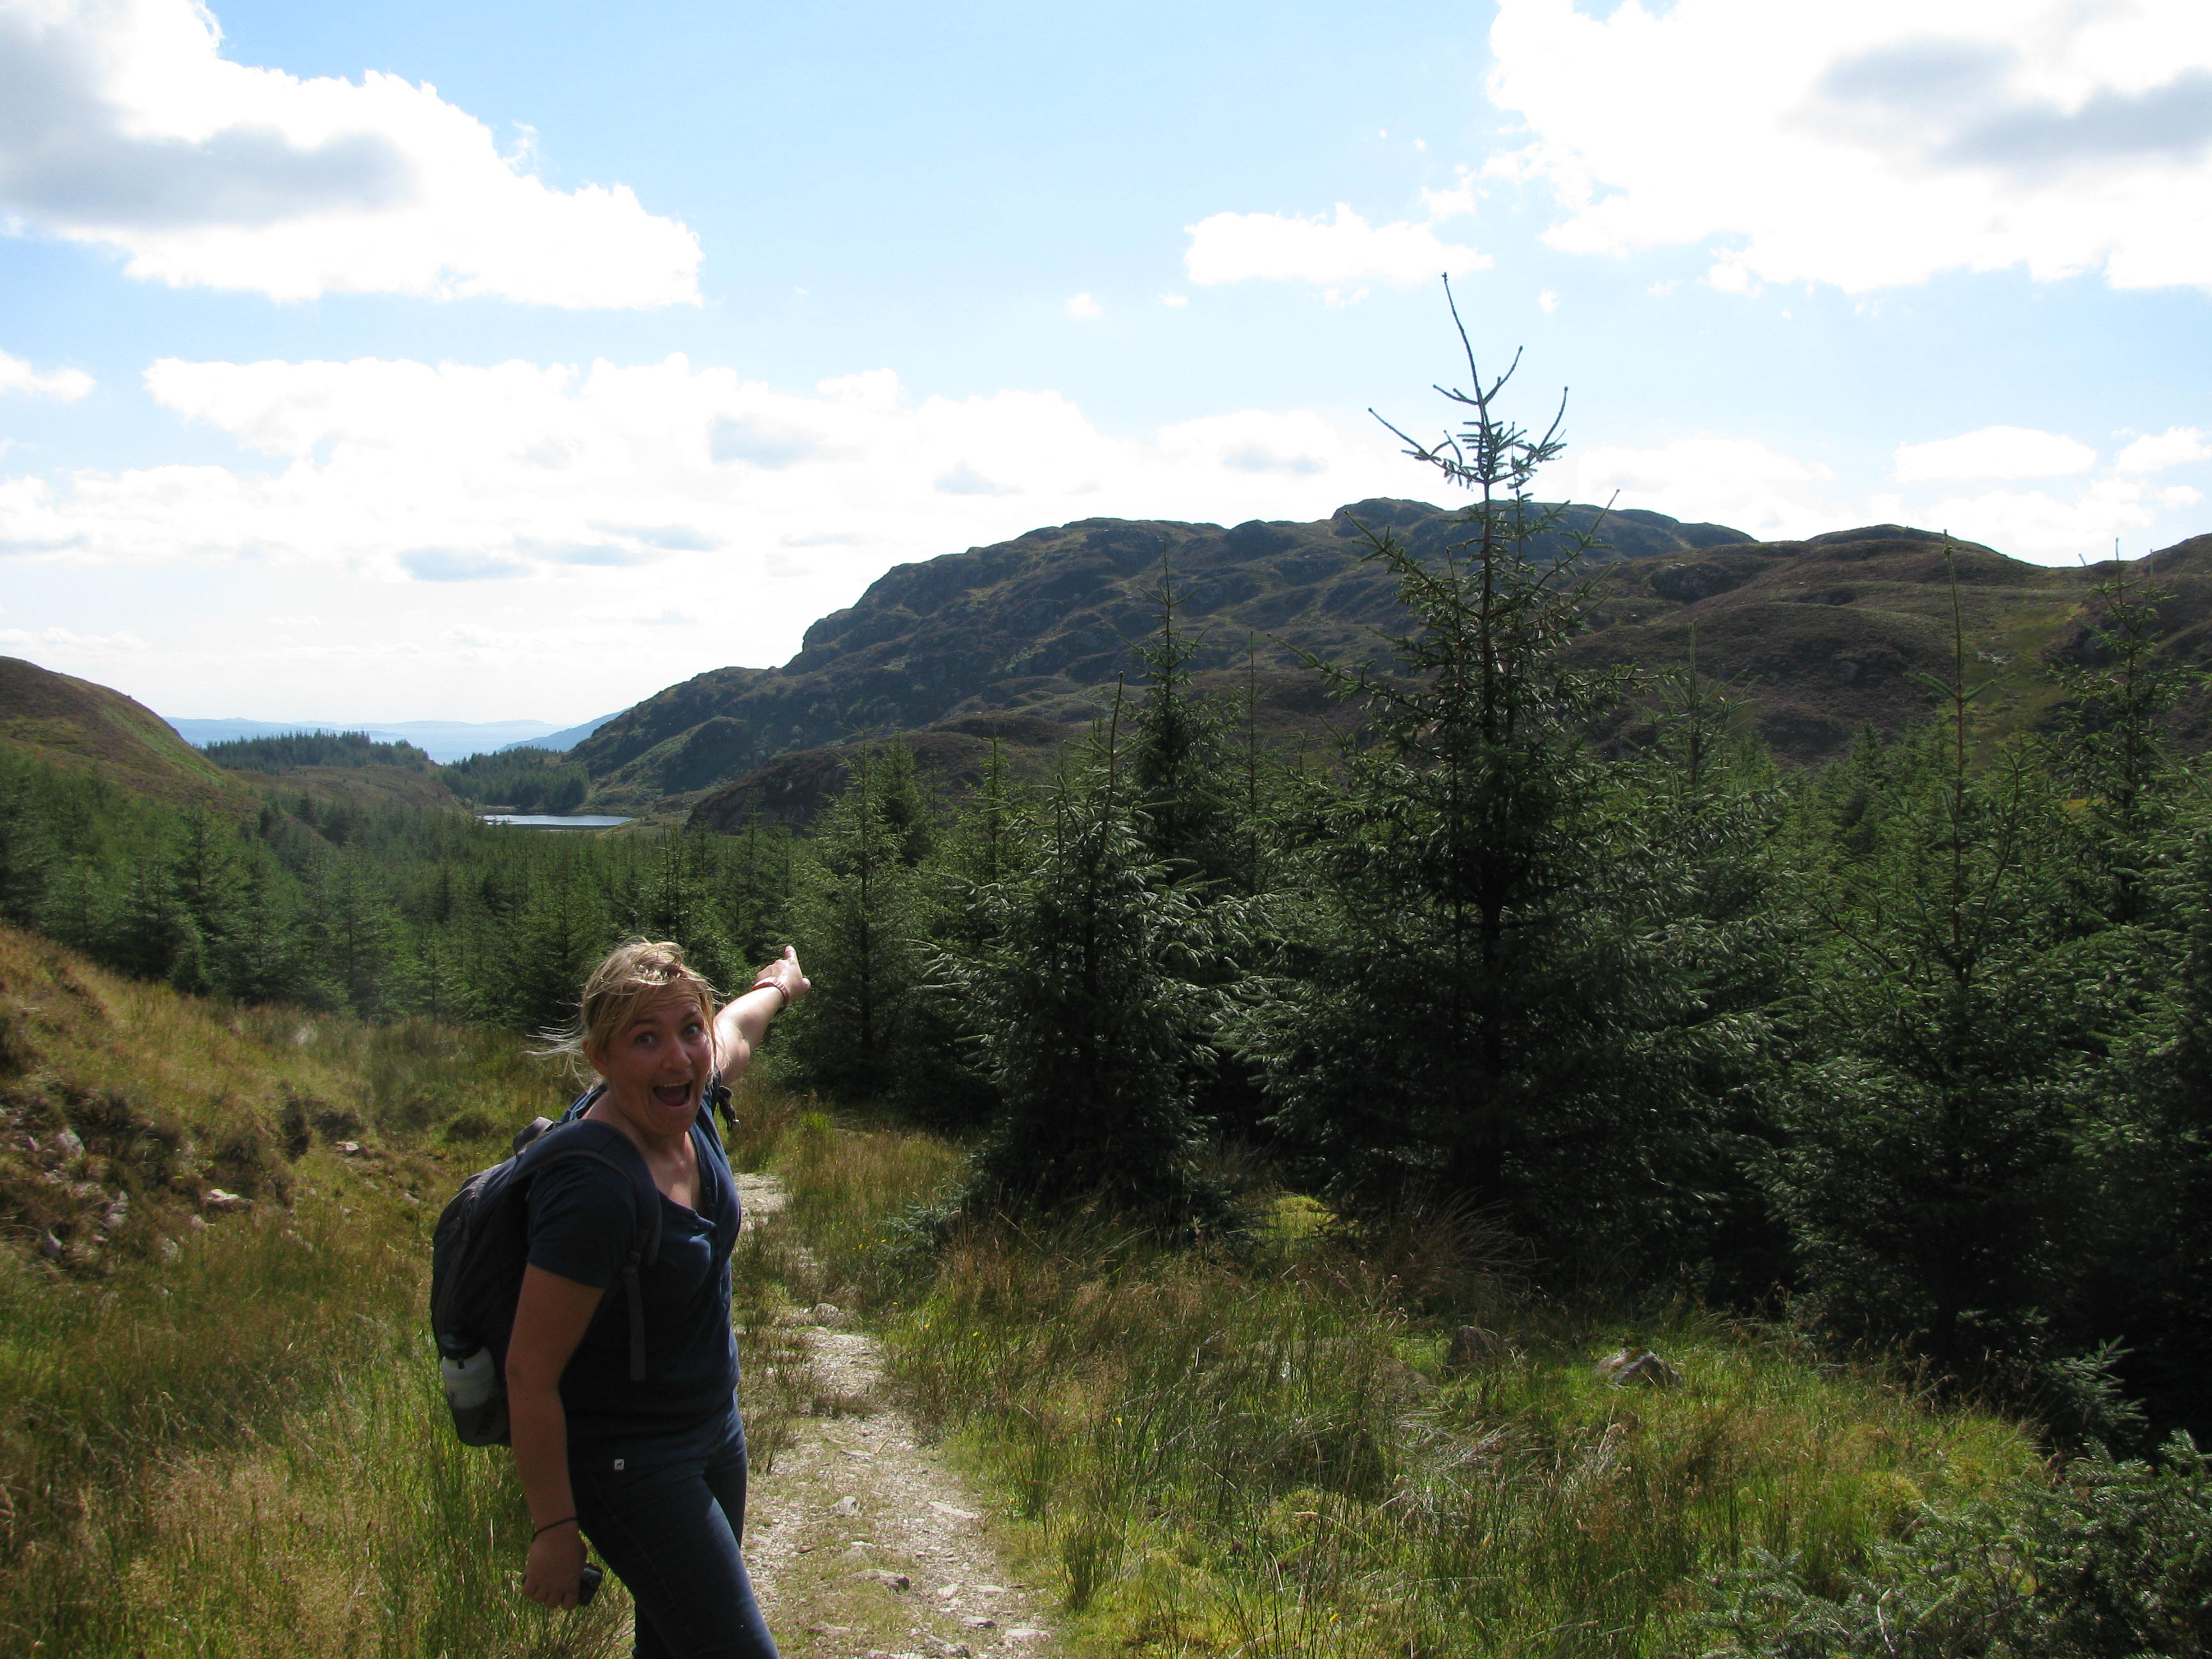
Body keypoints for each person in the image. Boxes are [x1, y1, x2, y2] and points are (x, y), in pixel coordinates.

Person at [508, 938, 808, 1658]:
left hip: (714, 1429)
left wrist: (780, 986)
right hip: (631, 1462)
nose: (677, 1057)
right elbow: (529, 1372)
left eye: (687, 1030)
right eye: (645, 1039)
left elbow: (736, 1029)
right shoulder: (594, 1191)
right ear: (601, 1057)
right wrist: (554, 1528)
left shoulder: (690, 1101)